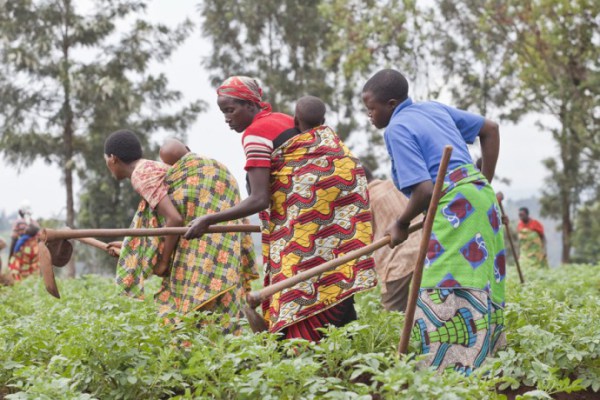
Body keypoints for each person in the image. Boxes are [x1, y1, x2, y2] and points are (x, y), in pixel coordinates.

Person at [186, 78, 377, 342]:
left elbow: (259, 199)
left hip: (301, 229)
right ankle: (351, 365)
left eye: (230, 110)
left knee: (299, 296)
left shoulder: (254, 134)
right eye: (223, 113)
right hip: (329, 225)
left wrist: (208, 219)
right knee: (332, 282)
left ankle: (309, 362)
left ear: (251, 105)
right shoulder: (286, 120)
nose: (227, 119)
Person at [362, 69, 505, 375]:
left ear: (390, 103)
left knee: (442, 286)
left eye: (371, 109)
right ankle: (481, 367)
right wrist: (482, 181)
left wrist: (400, 223)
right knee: (475, 282)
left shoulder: (397, 128)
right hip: (480, 199)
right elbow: (490, 129)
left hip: (454, 205)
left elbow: (425, 190)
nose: (369, 116)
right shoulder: (433, 108)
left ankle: (450, 375)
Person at [104, 130, 257, 332]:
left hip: (202, 222)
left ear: (113, 159)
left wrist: (164, 262)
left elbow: (174, 219)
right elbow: (165, 215)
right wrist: (128, 247)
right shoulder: (152, 168)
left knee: (186, 299)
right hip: (218, 207)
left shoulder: (141, 174)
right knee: (214, 285)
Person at [363, 167, 422, 312]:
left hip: (396, 261)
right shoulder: (395, 185)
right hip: (425, 248)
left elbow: (364, 237)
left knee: (392, 316)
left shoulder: (367, 200)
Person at [8, 201, 40, 282]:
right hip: (35, 251)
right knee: (33, 271)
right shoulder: (35, 223)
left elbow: (14, 238)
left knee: (16, 270)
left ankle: (19, 286)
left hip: (21, 252)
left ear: (20, 212)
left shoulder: (18, 222)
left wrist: (11, 254)